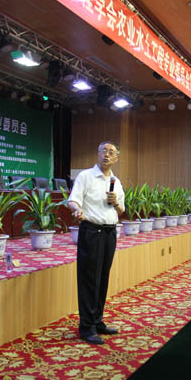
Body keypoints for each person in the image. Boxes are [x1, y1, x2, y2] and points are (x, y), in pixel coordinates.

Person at [67, 141, 125, 345]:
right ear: (98, 153)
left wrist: (116, 202)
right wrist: (77, 210)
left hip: (110, 233)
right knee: (89, 279)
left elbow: (121, 210)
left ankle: (97, 321)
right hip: (91, 231)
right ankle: (87, 327)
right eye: (103, 151)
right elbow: (72, 200)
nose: (107, 155)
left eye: (111, 152)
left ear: (117, 158)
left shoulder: (116, 182)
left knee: (102, 278)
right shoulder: (86, 176)